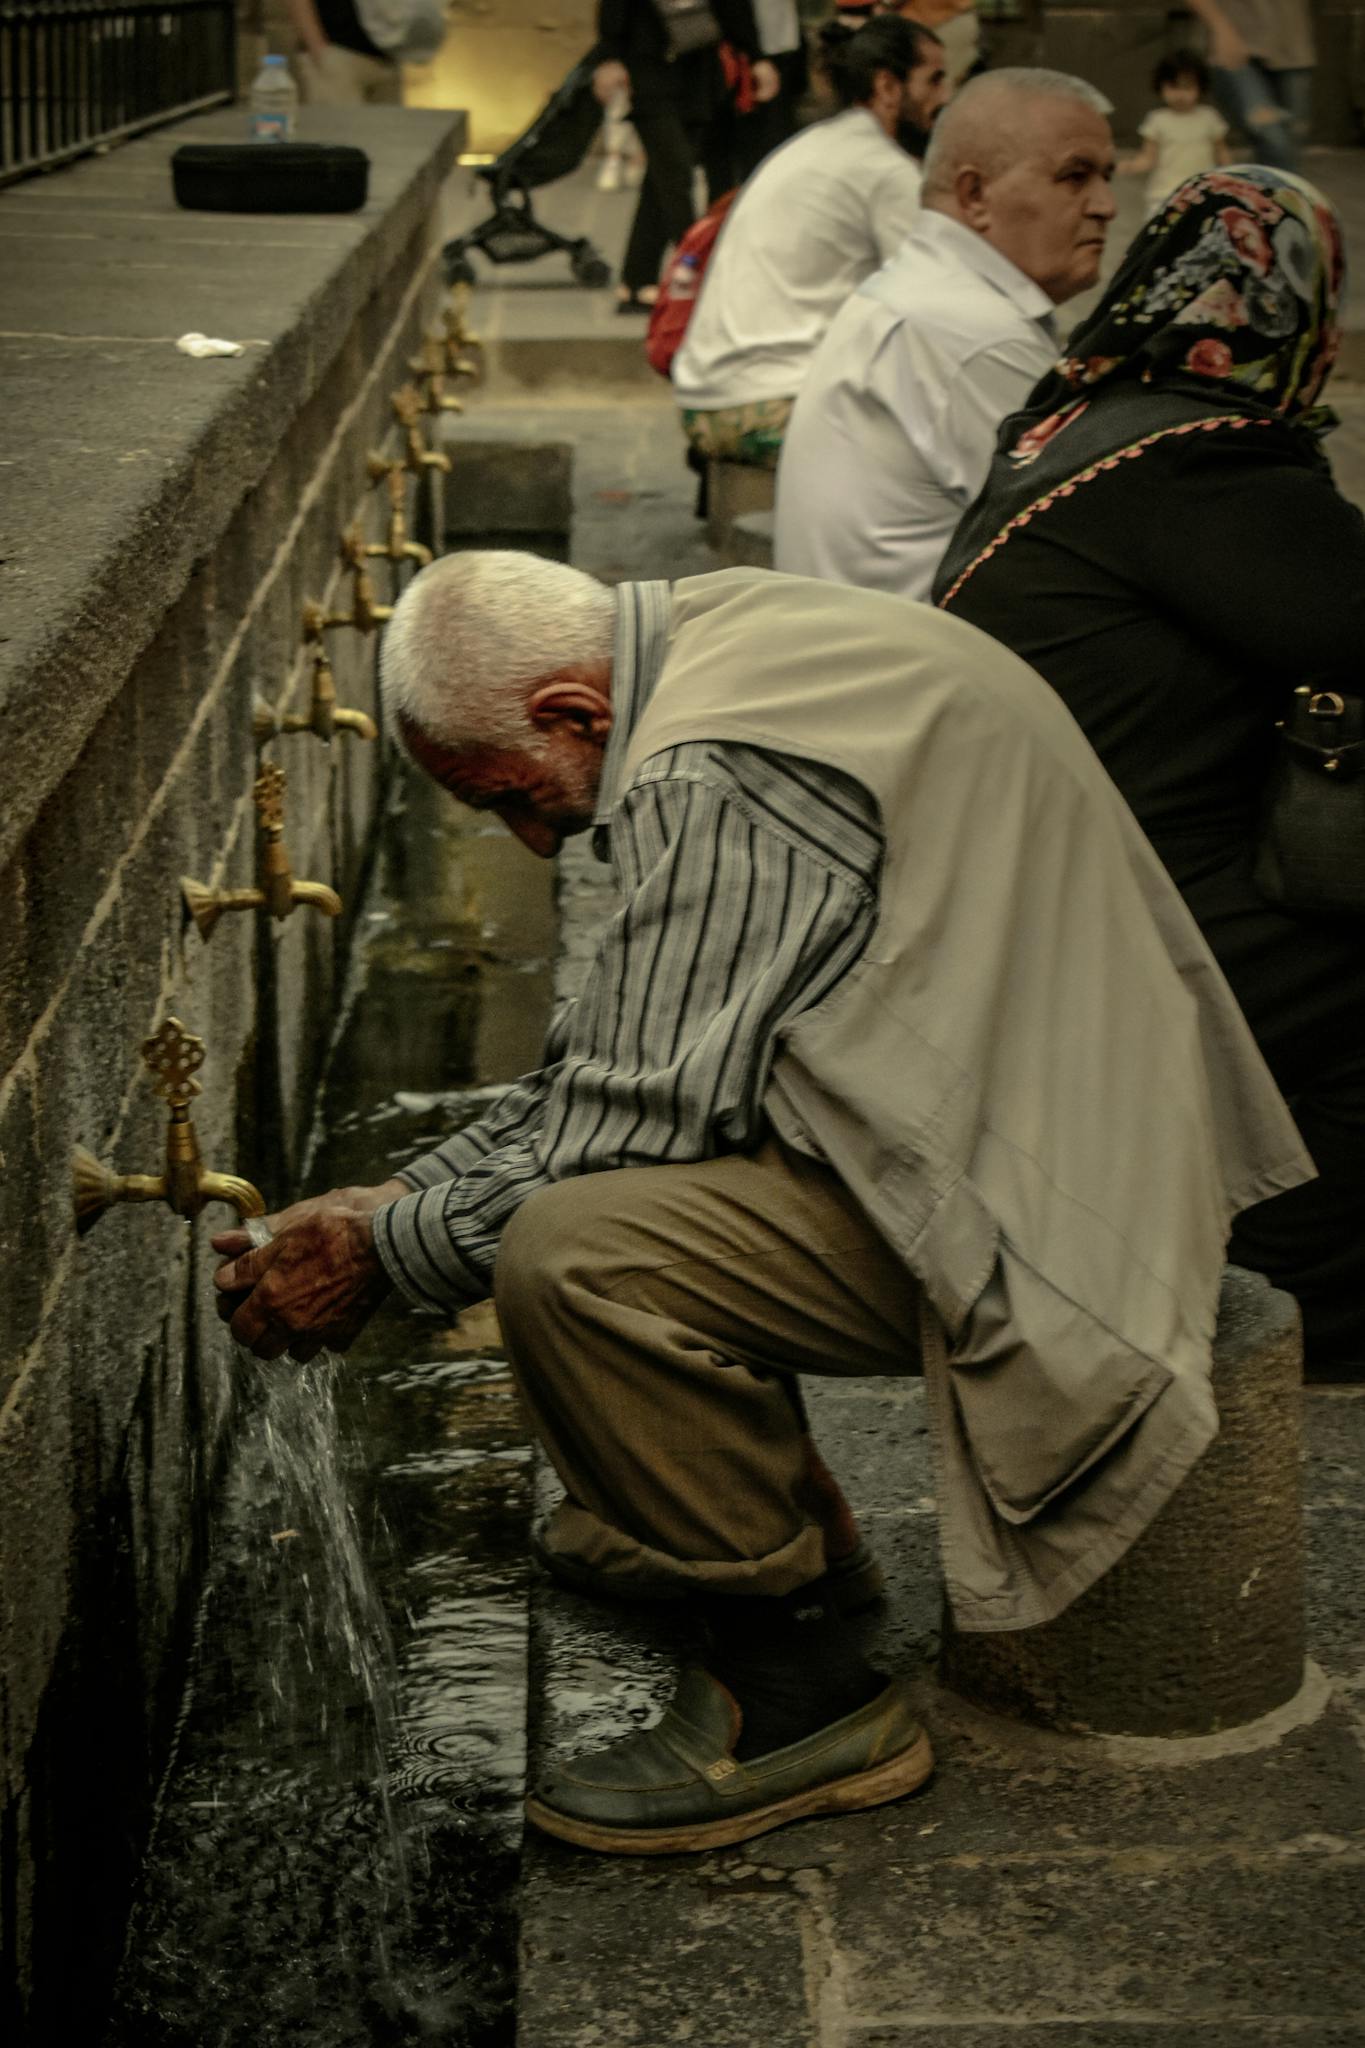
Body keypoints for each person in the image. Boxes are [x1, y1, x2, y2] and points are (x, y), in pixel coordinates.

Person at [213, 550, 1310, 1854]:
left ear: (575, 713)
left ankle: (798, 1698)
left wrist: (381, 1248)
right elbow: (632, 1058)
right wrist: (395, 1195)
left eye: (513, 798)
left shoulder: (711, 768)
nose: (531, 837)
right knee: (603, 1195)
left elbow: (630, 1124)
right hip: (1066, 1144)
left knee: (576, 1257)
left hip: (1052, 1231)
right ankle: (794, 1545)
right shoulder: (730, 631)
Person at [934, 165, 1365, 1378]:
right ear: (1286, 305)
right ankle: (1301, 1307)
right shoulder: (1203, 457)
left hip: (1030, 893)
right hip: (1125, 919)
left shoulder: (1076, 420)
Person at [774, 67, 1114, 598]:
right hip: (904, 669)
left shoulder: (934, 291)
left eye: (1107, 177)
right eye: (1075, 176)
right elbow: (1092, 542)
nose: (1106, 206)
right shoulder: (973, 332)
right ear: (974, 195)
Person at [670, 16, 948, 470]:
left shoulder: (822, 143)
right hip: (763, 404)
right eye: (934, 81)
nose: (946, 98)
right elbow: (931, 306)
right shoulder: (884, 169)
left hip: (716, 395)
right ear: (888, 87)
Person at [594, 0, 778, 313]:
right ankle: (700, 273)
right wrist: (610, 56)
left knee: (663, 177)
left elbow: (733, 8)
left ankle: (637, 280)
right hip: (647, 66)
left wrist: (755, 55)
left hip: (697, 69)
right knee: (676, 171)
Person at [1184, 0, 1315, 171]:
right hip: (1237, 45)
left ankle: (1260, 190)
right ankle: (1273, 194)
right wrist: (1220, 28)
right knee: (1271, 136)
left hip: (1294, 47)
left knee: (1293, 138)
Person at [1119, 51, 1231, 216]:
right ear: (1161, 86)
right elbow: (1148, 157)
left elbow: (1221, 152)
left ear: (1200, 87)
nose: (1180, 94)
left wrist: (1232, 176)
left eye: (1187, 87)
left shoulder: (1209, 117)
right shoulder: (1157, 119)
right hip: (1163, 194)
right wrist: (1131, 166)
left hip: (1203, 192)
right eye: (1173, 87)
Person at [285, 0, 444, 103]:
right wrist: (320, 51)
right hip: (338, 52)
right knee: (341, 146)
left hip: (386, 54)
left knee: (389, 145)